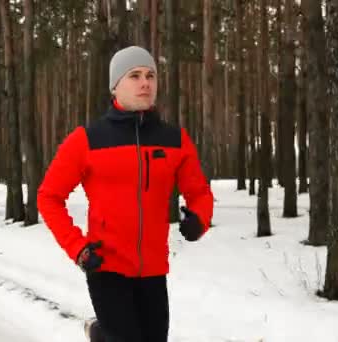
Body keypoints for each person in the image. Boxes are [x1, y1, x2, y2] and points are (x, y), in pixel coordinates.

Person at [37, 45, 214, 342]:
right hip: (106, 267)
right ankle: (102, 332)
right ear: (115, 86)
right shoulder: (88, 140)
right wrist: (78, 248)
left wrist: (200, 220)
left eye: (150, 76)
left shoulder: (174, 140)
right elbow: (48, 196)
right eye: (134, 76)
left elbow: (200, 193)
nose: (145, 83)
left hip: (154, 269)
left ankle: (99, 333)